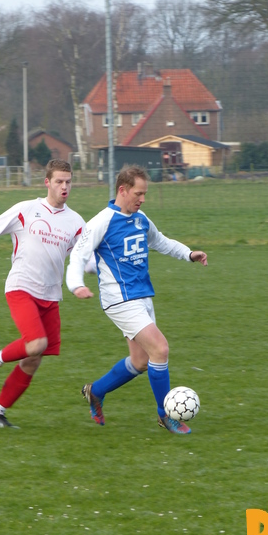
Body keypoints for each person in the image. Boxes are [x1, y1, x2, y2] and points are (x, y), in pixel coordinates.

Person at [66, 164, 208, 435]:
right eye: (138, 194)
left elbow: (162, 241)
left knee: (142, 361)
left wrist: (188, 254)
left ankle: (95, 391)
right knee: (161, 349)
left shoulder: (141, 219)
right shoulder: (101, 222)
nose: (142, 200)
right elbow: (78, 256)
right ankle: (165, 415)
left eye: (144, 195)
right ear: (123, 190)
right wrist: (75, 285)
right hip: (119, 299)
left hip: (142, 297)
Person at [0, 159, 86, 428]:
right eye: (59, 181)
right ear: (47, 182)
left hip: (51, 295)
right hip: (21, 287)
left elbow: (83, 257)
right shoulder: (27, 209)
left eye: (68, 181)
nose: (64, 186)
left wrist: (88, 274)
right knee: (36, 344)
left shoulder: (77, 222)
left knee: (33, 360)